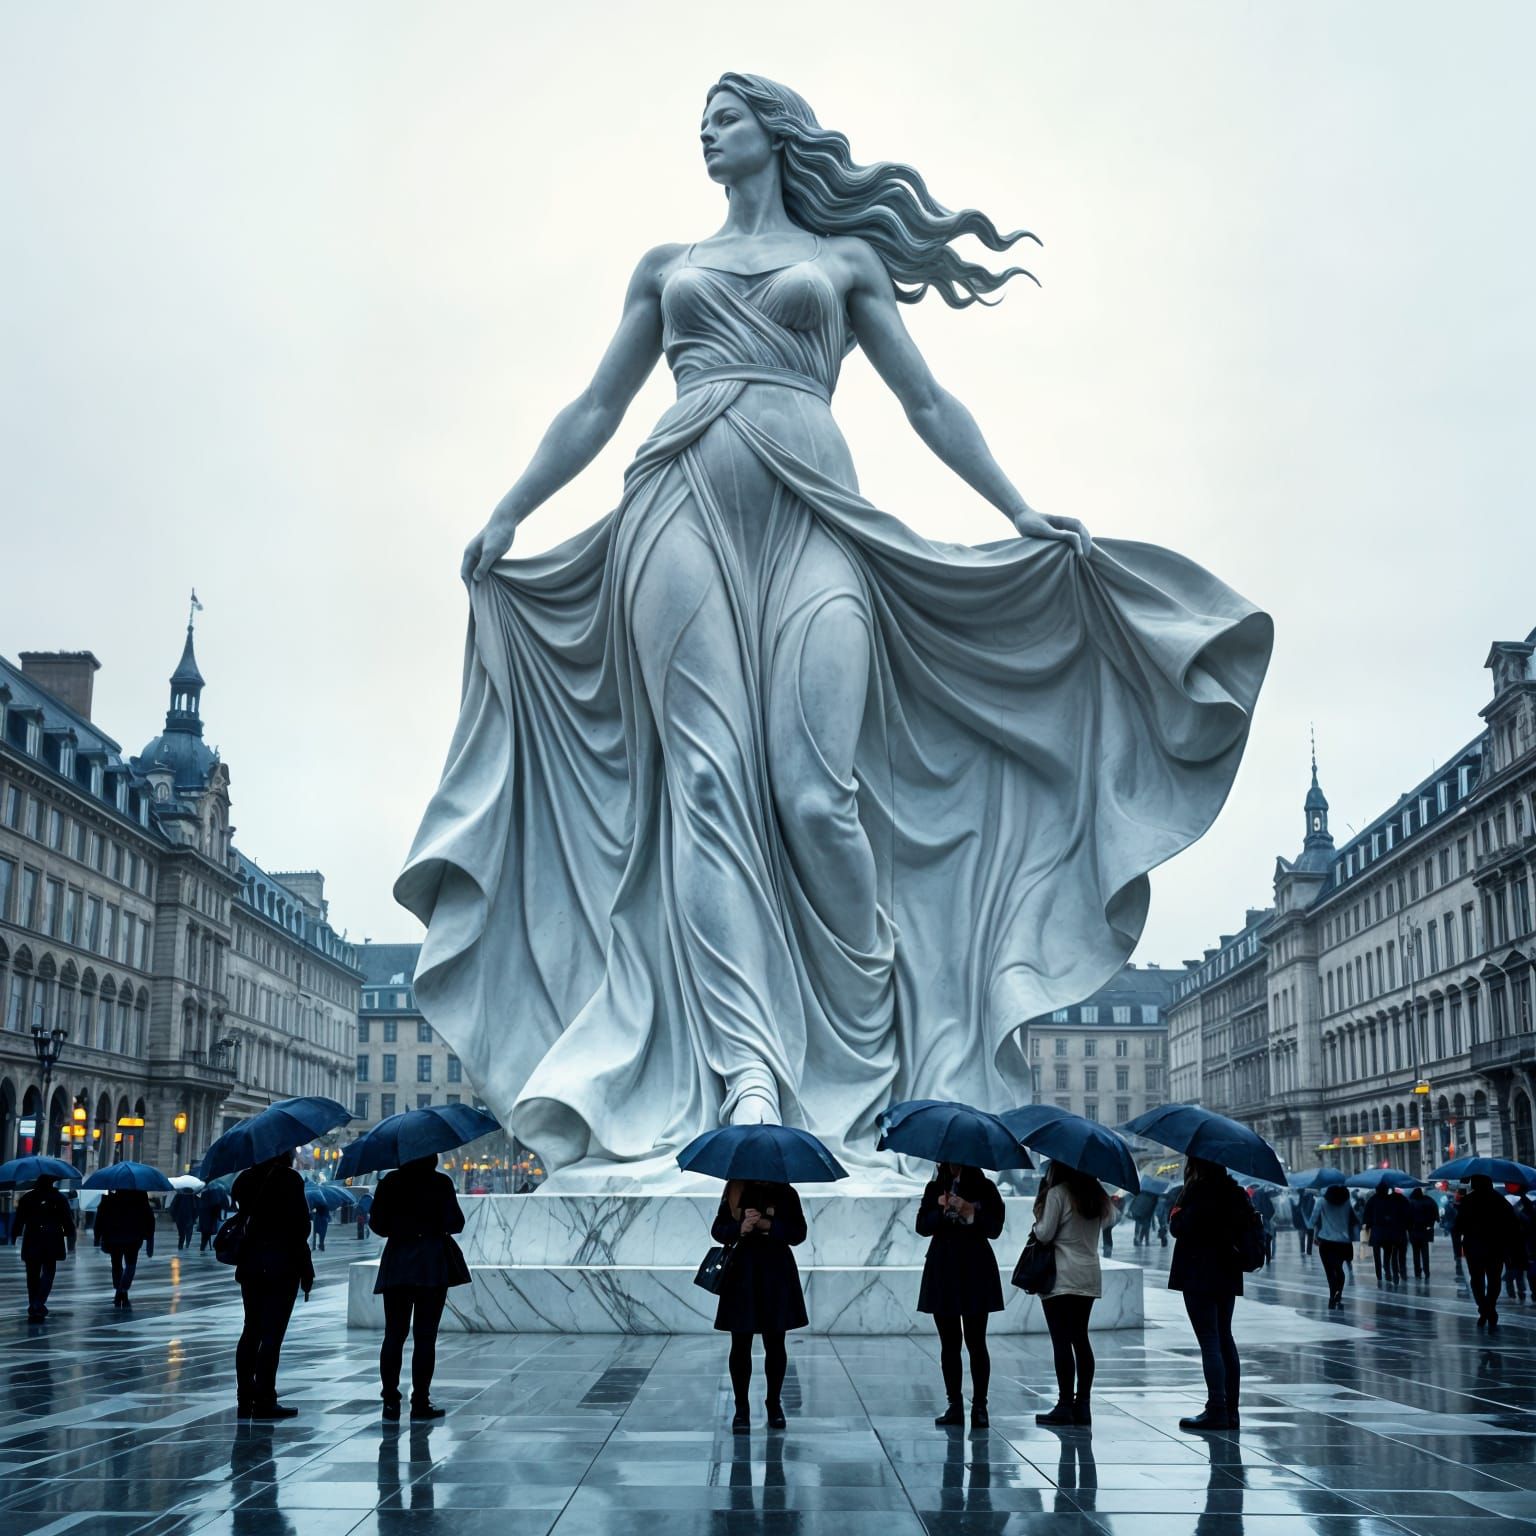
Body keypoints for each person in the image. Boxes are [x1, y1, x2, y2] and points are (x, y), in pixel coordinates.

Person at [397, 72, 1271, 1187]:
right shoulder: (668, 268)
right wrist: (511, 509)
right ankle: (748, 1071)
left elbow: (927, 401)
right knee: (706, 786)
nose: (705, 132)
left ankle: (868, 1050)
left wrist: (1016, 509)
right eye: (700, 121)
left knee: (819, 794)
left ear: (773, 130)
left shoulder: (847, 263)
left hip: (817, 513)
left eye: (724, 115)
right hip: (674, 508)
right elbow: (595, 407)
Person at [368, 1154, 470, 1420]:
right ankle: (420, 1401)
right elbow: (456, 1223)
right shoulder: (440, 1183)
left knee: (394, 1334)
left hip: (398, 1262)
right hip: (431, 1263)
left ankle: (390, 1400)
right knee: (425, 1337)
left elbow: (377, 1225)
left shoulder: (390, 1182)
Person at [712, 1178, 808, 1432]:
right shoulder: (735, 1190)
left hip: (776, 1273)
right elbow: (718, 1229)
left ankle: (773, 1403)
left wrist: (768, 1225)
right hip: (742, 1273)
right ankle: (741, 1408)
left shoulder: (786, 1193)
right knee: (740, 1343)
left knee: (775, 1343)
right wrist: (740, 1228)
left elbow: (798, 1233)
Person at [916, 1162, 1005, 1430]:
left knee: (976, 1341)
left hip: (975, 1268)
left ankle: (980, 1405)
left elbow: (995, 1228)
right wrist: (941, 1209)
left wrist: (970, 1211)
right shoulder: (935, 1188)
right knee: (949, 1343)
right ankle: (954, 1403)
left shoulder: (985, 1188)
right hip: (943, 1268)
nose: (947, 1164)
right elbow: (922, 1225)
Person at [1030, 1161, 1115, 1426]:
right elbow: (1109, 1221)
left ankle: (1065, 1404)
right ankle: (1084, 1405)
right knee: (1080, 1338)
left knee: (1061, 1340)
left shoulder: (1058, 1193)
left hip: (1061, 1276)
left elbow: (1044, 1235)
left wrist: (1037, 1219)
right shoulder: (1096, 1195)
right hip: (1088, 1274)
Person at [1168, 1157, 1250, 1431]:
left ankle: (1216, 1407)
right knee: (1225, 1336)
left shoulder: (1196, 1192)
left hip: (1198, 1273)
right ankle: (1232, 1410)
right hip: (1227, 1271)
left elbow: (1178, 1228)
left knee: (1209, 1340)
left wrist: (1179, 1207)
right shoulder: (1235, 1192)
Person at [232, 1150, 314, 1417]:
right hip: (283, 1263)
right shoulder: (290, 1180)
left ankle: (245, 1395)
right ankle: (266, 1397)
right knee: (272, 1334)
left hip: (252, 1262)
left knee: (251, 1329)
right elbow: (301, 1227)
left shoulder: (244, 1179)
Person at [1453, 1174, 1520, 1328]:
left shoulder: (1468, 1201)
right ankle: (1489, 1308)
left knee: (1477, 1280)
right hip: (1496, 1247)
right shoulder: (1500, 1201)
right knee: (1494, 1279)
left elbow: (1458, 1226)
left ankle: (1484, 1308)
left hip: (1474, 1247)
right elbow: (1512, 1225)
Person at [11, 1173, 75, 1321]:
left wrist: (14, 1235)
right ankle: (39, 1302)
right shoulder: (59, 1198)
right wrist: (70, 1237)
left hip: (32, 1238)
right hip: (52, 1238)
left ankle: (34, 1302)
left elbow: (19, 1219)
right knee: (48, 1272)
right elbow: (67, 1219)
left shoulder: (28, 1198)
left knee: (32, 1274)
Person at [94, 1188, 154, 1307]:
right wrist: (149, 1238)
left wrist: (97, 1236)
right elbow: (149, 1217)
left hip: (114, 1237)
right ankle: (123, 1290)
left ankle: (119, 1289)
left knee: (116, 1265)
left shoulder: (109, 1199)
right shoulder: (140, 1196)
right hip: (133, 1237)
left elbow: (100, 1218)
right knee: (130, 1265)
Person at [1309, 1185, 1361, 1309]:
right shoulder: (1347, 1203)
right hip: (1344, 1242)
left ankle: (1333, 1294)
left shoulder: (1321, 1201)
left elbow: (1312, 1221)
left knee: (1330, 1271)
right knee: (1339, 1270)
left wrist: (1315, 1234)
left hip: (1326, 1242)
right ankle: (1339, 1293)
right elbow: (1353, 1220)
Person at [1361, 1181, 1407, 1285]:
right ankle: (1387, 1271)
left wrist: (1367, 1226)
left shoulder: (1372, 1200)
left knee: (1377, 1256)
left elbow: (1366, 1216)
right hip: (1389, 1232)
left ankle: (1379, 1275)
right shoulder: (1391, 1199)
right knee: (1388, 1253)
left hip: (1377, 1231)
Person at [1405, 1186, 1438, 1278]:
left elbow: (1407, 1217)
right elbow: (1434, 1214)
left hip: (1414, 1232)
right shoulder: (1428, 1201)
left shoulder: (1410, 1202)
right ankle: (1426, 1271)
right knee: (1425, 1252)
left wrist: (1408, 1228)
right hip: (1425, 1231)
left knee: (1416, 1253)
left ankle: (1417, 1271)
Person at [1250, 1185, 1277, 1266]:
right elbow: (1272, 1210)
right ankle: (1268, 1258)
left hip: (1259, 1221)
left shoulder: (1255, 1196)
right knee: (1268, 1240)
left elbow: (1253, 1208)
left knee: (1261, 1240)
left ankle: (1261, 1258)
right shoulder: (1266, 1196)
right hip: (1267, 1220)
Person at [197, 1183, 228, 1251]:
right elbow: (218, 1206)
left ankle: (203, 1247)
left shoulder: (204, 1194)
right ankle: (204, 1247)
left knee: (205, 1234)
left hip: (204, 1217)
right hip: (210, 1218)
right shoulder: (216, 1195)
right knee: (207, 1233)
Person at [1293, 1187, 1316, 1257]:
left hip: (1304, 1220)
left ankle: (1303, 1251)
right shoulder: (1310, 1198)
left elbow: (1299, 1208)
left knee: (1303, 1236)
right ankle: (1308, 1251)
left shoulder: (1303, 1198)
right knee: (1308, 1236)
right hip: (1307, 1220)